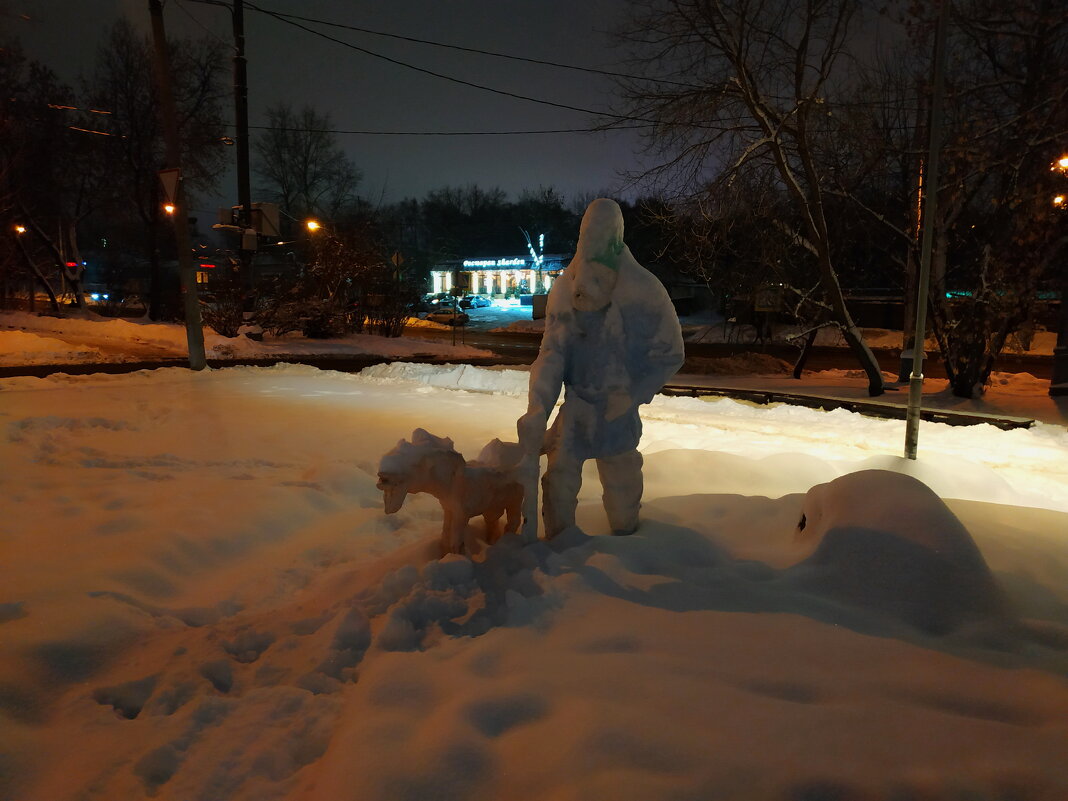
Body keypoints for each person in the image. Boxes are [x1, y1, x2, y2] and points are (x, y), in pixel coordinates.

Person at [517, 198, 685, 539]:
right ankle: (560, 552)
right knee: (560, 481)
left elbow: (670, 353)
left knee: (622, 485)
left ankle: (627, 548)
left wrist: (633, 394)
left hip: (617, 411)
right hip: (576, 408)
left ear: (616, 238)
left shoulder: (643, 290)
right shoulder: (565, 289)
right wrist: (538, 407)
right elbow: (552, 354)